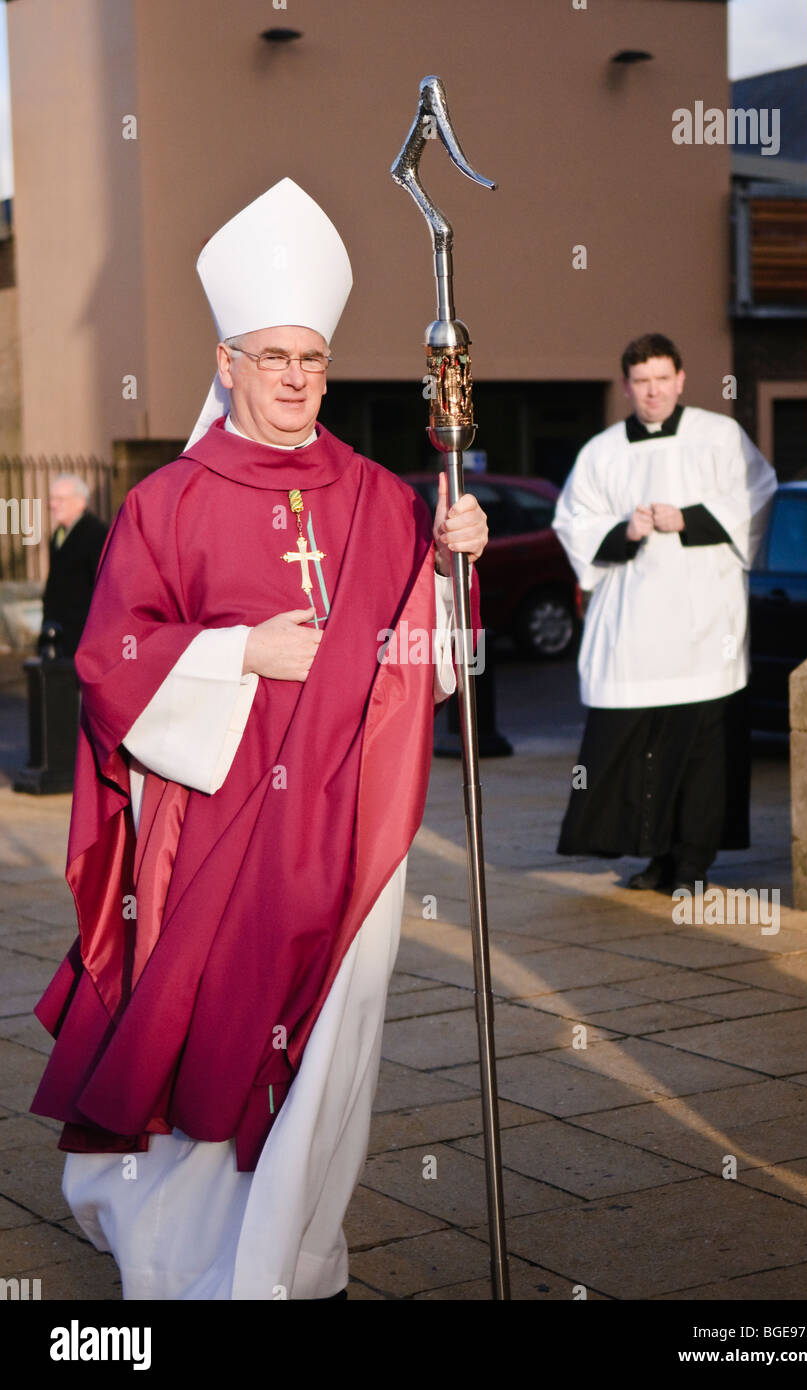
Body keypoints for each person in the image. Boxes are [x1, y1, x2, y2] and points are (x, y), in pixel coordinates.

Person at [29, 178, 487, 1300]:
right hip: (213, 835)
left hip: (352, 834)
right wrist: (233, 654)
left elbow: (439, 669)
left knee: (331, 1053)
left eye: (311, 359)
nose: (294, 379)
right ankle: (191, 1258)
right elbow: (105, 664)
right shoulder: (167, 504)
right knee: (208, 1039)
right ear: (225, 360)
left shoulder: (384, 498)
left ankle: (293, 1252)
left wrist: (452, 567)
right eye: (271, 356)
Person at [552, 333, 776, 892]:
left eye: (662, 379)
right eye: (641, 382)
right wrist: (622, 529)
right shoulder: (601, 452)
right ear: (627, 387)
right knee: (642, 756)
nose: (653, 392)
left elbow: (759, 494)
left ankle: (694, 864)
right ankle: (654, 859)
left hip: (706, 632)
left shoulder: (720, 437)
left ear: (680, 379)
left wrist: (693, 518)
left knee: (701, 758)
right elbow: (572, 520)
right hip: (634, 637)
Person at [42, 475, 109, 656]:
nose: (53, 504)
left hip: (82, 633)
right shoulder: (59, 534)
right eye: (52, 499)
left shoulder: (96, 533)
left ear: (80, 502)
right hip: (59, 632)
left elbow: (103, 584)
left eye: (60, 499)